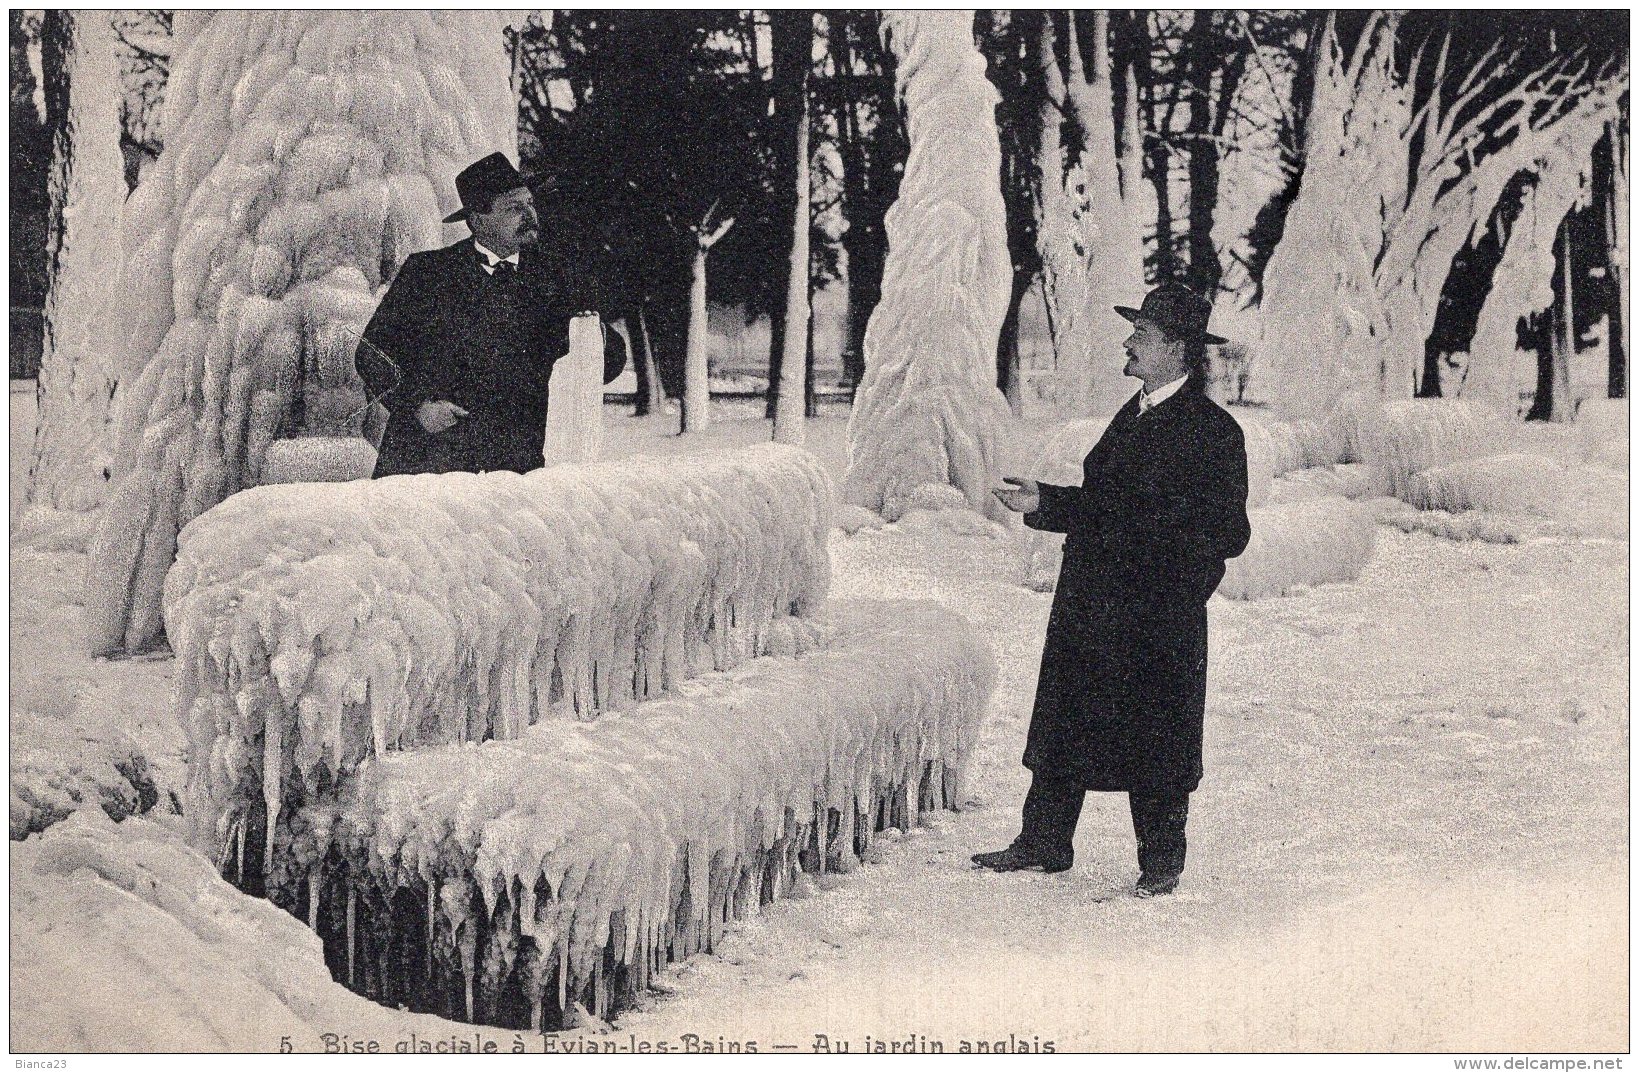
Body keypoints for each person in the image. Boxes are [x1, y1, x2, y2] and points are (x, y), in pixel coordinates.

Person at [975, 282, 1251, 897]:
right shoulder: (1137, 411)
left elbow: (1228, 533)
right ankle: (1044, 841)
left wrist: (1175, 594)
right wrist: (1045, 501)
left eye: (1143, 336)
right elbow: (1111, 505)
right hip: (1093, 601)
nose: (1129, 343)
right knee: (1066, 718)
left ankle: (1161, 863)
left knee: (1158, 737)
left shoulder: (1213, 432)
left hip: (1155, 615)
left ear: (1178, 351)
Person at [356, 152, 626, 477]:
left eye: (530, 203)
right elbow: (371, 354)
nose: (530, 215)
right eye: (514, 208)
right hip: (427, 461)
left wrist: (593, 335)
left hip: (516, 469)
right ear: (478, 219)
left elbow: (606, 363)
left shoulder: (556, 278)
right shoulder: (426, 273)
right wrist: (417, 407)